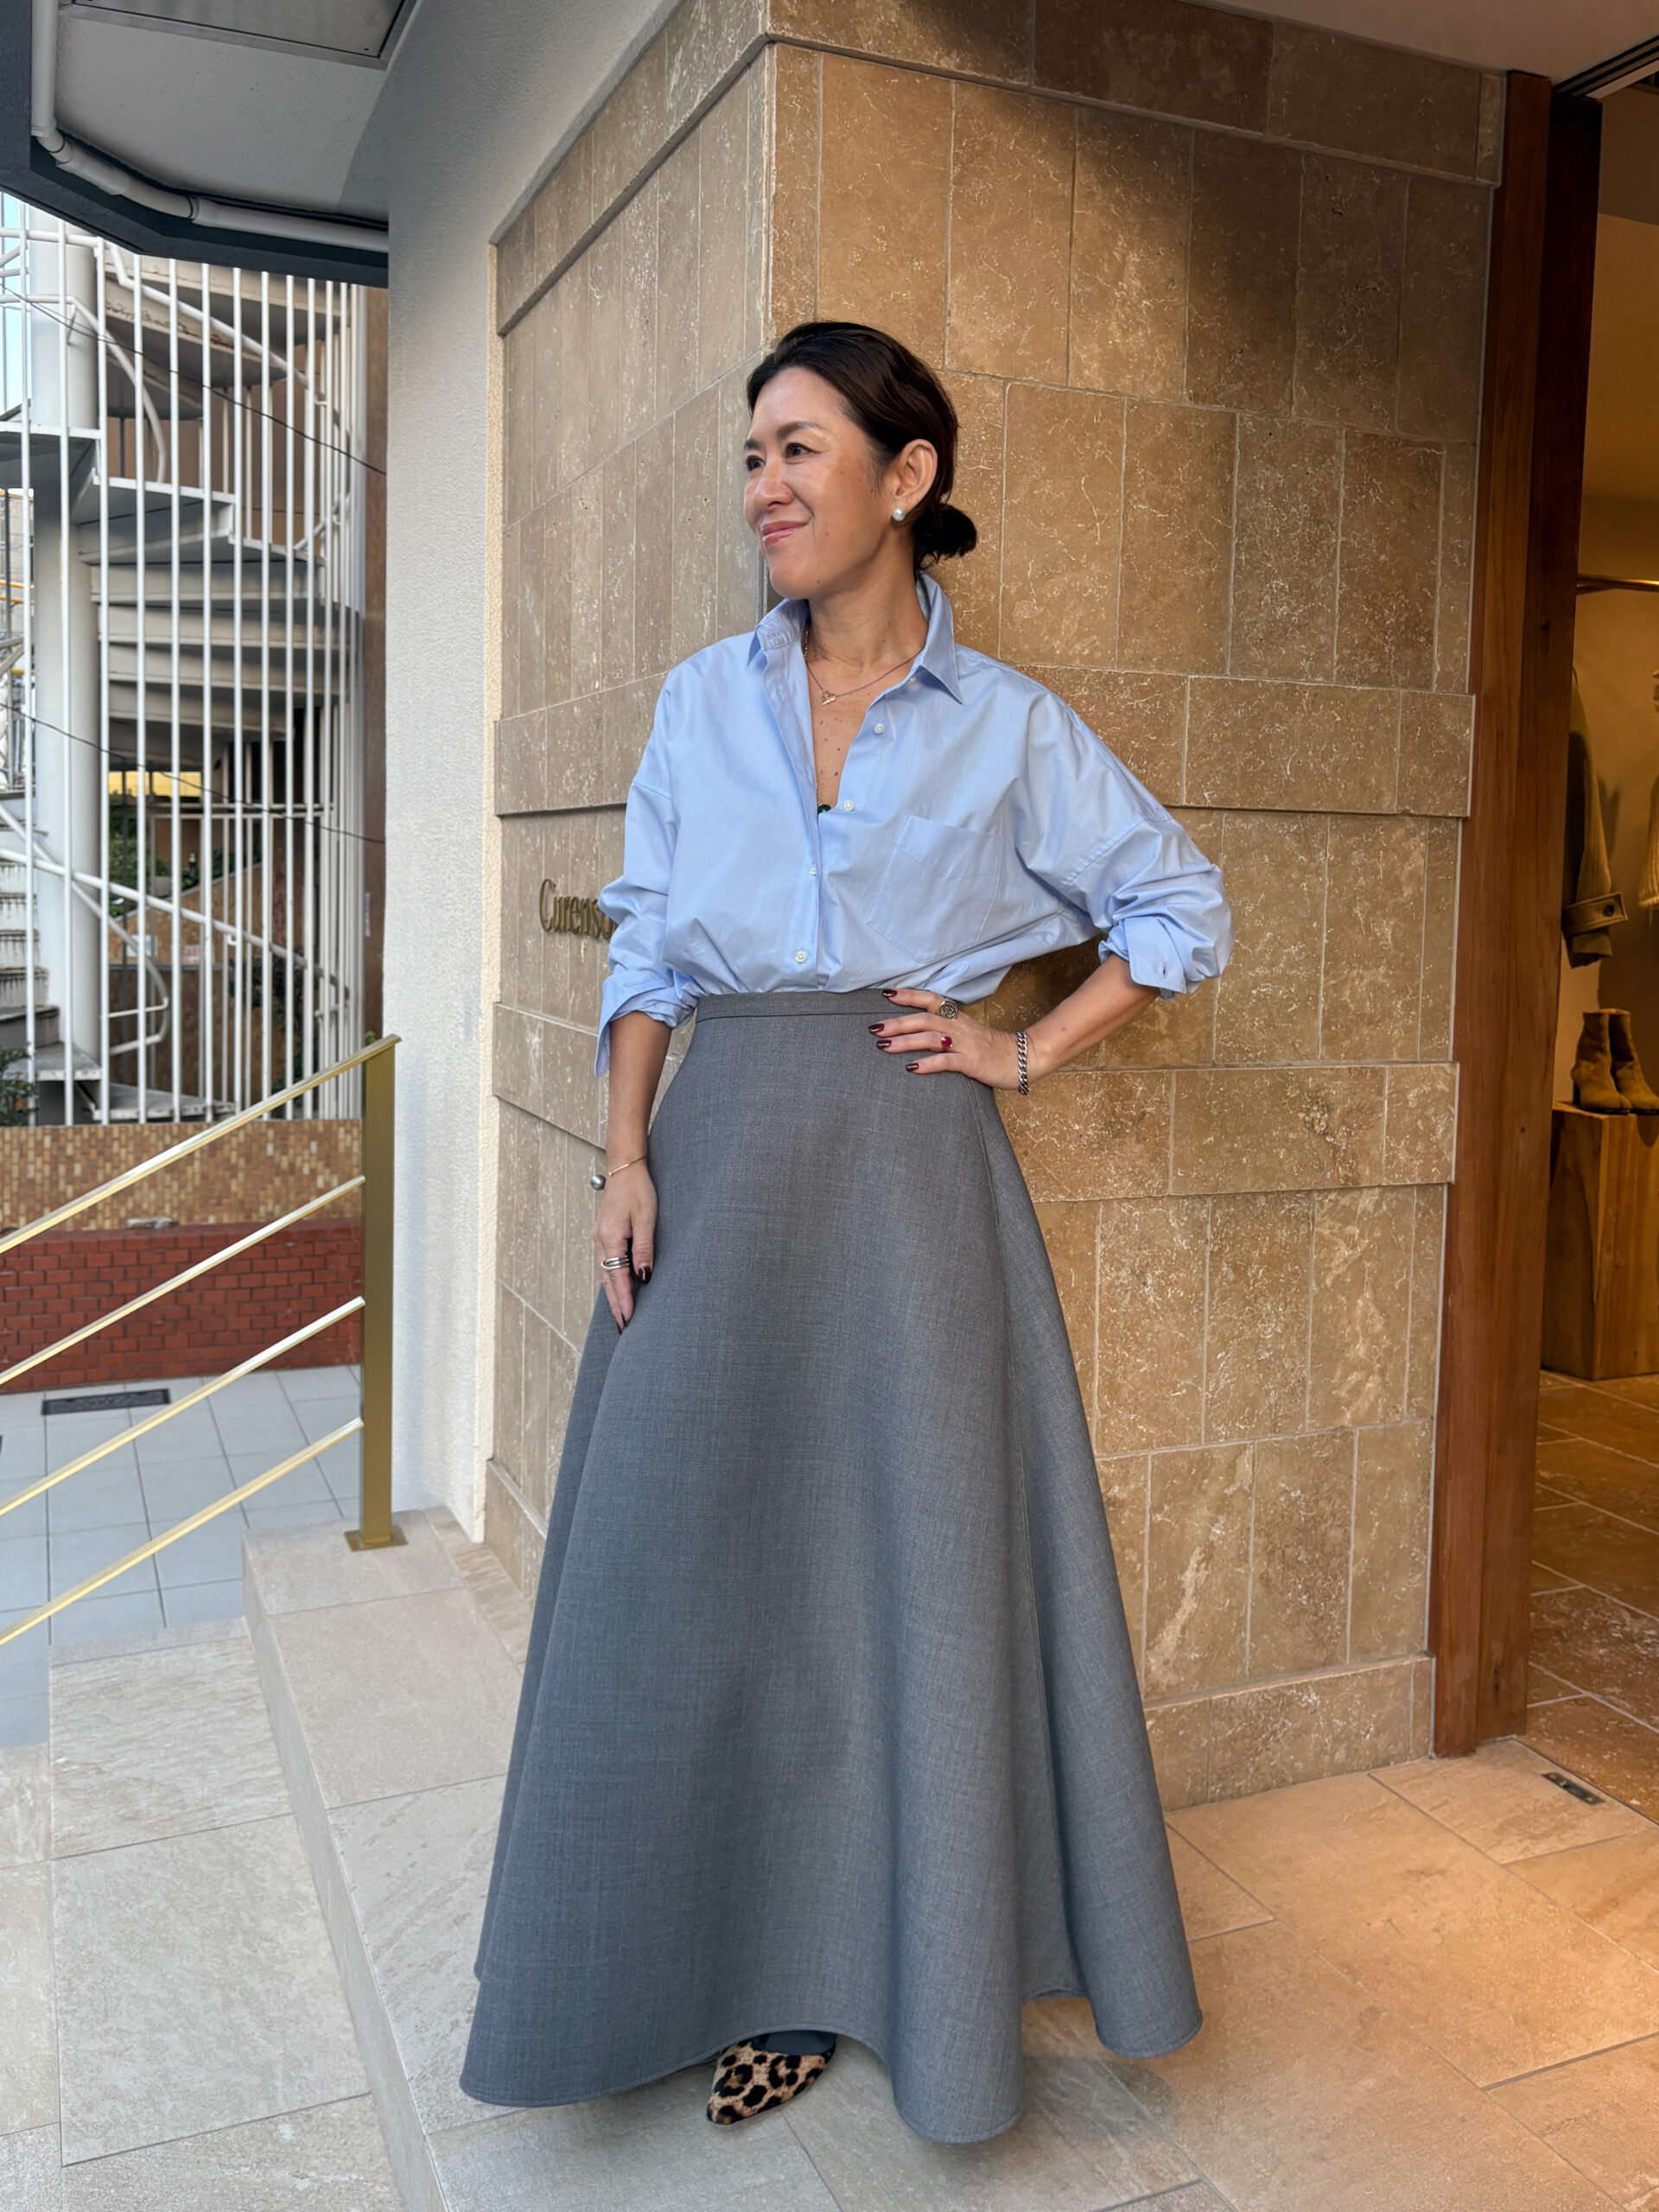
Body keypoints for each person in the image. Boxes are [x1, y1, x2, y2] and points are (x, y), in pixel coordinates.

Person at [461, 320, 1233, 2144]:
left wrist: (1020, 1048)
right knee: (683, 1565)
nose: (766, 488)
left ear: (908, 475)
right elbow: (650, 948)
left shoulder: (1011, 726)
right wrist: (623, 1156)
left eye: (799, 449)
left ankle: (873, 1968)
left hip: (911, 1185)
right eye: (752, 457)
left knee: (899, 1577)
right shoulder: (699, 702)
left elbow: (1180, 907)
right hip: (720, 1155)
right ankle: (656, 1951)